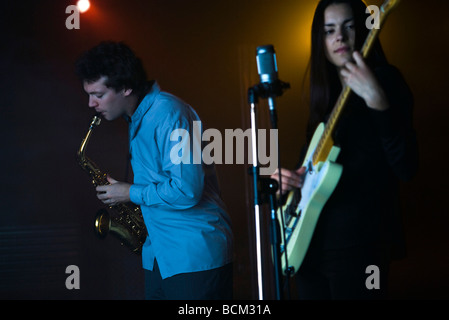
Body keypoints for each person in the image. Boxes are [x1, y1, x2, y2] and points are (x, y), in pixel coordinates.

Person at [271, 0, 418, 299]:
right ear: (320, 41)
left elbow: (407, 167)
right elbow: (310, 174)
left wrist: (378, 101)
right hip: (311, 248)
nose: (339, 36)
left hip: (363, 248)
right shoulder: (326, 100)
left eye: (349, 26)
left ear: (363, 30)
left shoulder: (387, 80)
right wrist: (290, 183)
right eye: (329, 30)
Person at [75, 41, 233, 300]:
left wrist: (131, 193)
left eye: (99, 94)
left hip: (193, 256)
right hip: (160, 255)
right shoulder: (138, 118)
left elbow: (187, 190)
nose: (91, 103)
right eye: (89, 94)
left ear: (126, 87)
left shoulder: (170, 114)